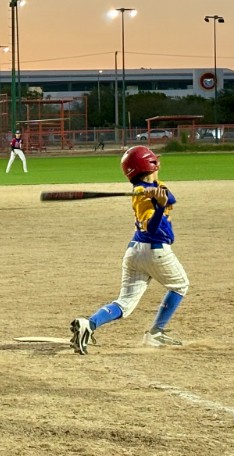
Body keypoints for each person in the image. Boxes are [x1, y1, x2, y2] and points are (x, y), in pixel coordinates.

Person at [70, 145, 190, 354]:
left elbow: (171, 198)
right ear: (151, 164)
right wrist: (157, 205)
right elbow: (152, 227)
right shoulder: (141, 197)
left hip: (135, 251)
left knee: (125, 302)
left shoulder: (150, 188)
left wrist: (155, 194)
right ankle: (156, 333)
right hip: (155, 250)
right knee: (180, 285)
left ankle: (89, 324)